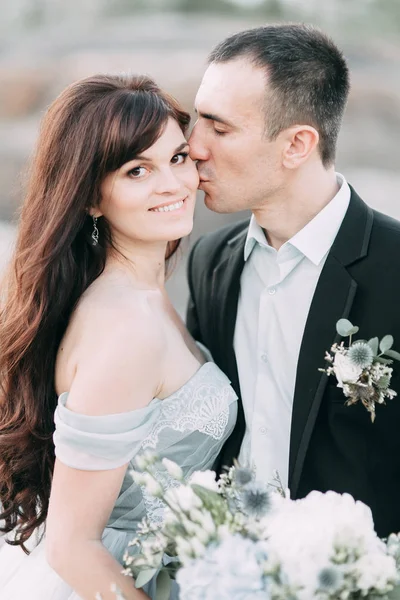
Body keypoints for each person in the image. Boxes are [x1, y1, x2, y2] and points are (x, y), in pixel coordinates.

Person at [0, 74, 237, 600]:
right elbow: (72, 545)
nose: (173, 184)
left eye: (177, 158)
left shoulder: (143, 296)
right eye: (137, 170)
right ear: (90, 199)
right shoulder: (125, 328)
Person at [186, 23, 400, 539]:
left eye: (219, 128)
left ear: (298, 144)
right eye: (197, 120)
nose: (193, 147)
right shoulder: (211, 260)